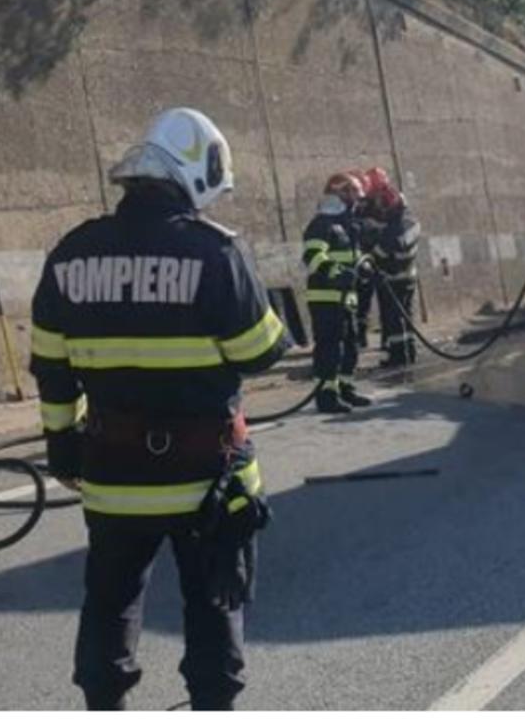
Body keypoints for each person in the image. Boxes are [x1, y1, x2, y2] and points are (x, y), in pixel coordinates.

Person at [29, 107, 286, 711]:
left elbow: (51, 364)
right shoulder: (215, 252)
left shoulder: (71, 254)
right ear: (196, 173)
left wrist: (62, 445)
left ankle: (105, 702)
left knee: (111, 602)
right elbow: (261, 352)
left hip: (113, 477)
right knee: (213, 603)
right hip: (209, 479)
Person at [301, 172, 372, 414]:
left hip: (347, 297)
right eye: (351, 192)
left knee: (350, 344)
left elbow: (354, 255)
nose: (356, 198)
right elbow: (312, 256)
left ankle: (345, 388)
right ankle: (326, 395)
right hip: (325, 297)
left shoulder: (347, 224)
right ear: (338, 193)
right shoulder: (321, 223)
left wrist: (365, 265)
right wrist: (335, 271)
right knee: (330, 347)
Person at [356, 167, 423, 370]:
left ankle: (398, 355)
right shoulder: (411, 221)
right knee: (405, 317)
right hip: (408, 276)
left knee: (393, 319)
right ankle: (408, 350)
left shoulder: (393, 230)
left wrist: (370, 251)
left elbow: (381, 253)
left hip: (392, 278)